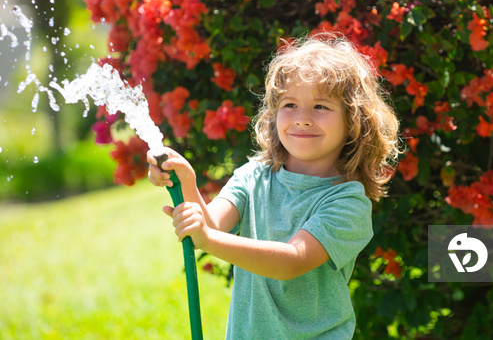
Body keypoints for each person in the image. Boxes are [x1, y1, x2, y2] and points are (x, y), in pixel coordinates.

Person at [148, 35, 400, 339]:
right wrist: (186, 180)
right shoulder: (253, 176)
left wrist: (208, 239)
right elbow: (212, 224)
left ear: (354, 122)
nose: (302, 119)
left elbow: (291, 262)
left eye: (320, 106)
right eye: (290, 104)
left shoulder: (347, 201)